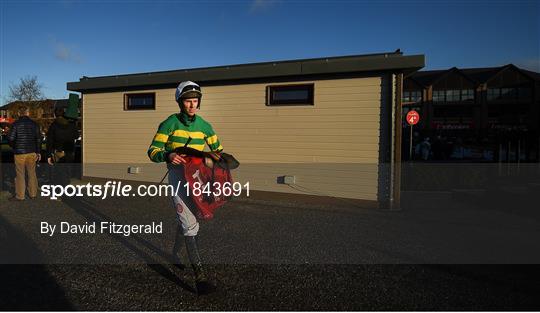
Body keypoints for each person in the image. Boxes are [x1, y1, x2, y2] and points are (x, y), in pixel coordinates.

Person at [147, 81, 223, 294]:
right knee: (189, 223)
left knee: (192, 219)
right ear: (180, 102)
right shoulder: (169, 123)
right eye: (188, 101)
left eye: (195, 101)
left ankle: (174, 254)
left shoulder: (205, 126)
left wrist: (212, 160)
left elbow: (218, 151)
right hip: (177, 177)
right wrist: (168, 155)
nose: (192, 105)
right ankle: (200, 278)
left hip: (198, 178)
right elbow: (152, 151)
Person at [7, 106, 41, 201]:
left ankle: (20, 196)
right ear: (28, 113)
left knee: (20, 174)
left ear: (19, 113)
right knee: (32, 173)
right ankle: (33, 194)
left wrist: (14, 146)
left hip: (19, 153)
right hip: (32, 152)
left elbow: (10, 138)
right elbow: (38, 139)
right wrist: (38, 152)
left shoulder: (15, 124)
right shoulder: (34, 124)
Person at [46, 107, 79, 187]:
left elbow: (49, 141)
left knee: (59, 172)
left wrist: (48, 155)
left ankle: (61, 188)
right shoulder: (71, 124)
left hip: (59, 151)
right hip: (70, 151)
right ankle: (66, 186)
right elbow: (76, 136)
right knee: (67, 170)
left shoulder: (53, 125)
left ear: (55, 114)